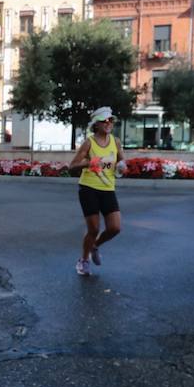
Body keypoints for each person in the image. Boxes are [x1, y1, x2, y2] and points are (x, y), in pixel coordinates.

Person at [67, 106, 122, 277]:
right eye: (104, 121)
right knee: (94, 228)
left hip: (108, 188)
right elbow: (72, 167)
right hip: (88, 188)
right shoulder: (89, 143)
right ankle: (83, 260)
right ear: (96, 124)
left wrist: (122, 166)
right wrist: (88, 163)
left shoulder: (116, 142)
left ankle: (95, 246)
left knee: (115, 228)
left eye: (110, 120)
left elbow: (121, 161)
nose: (108, 123)